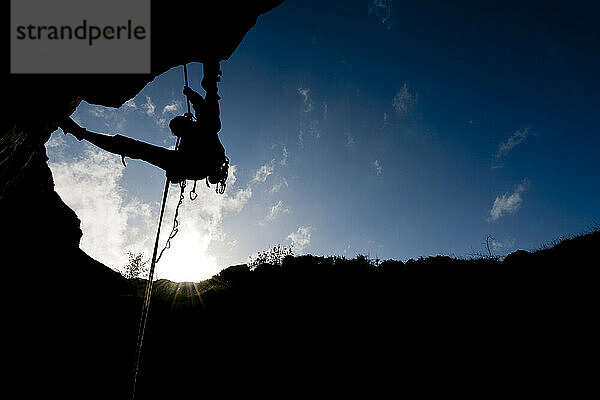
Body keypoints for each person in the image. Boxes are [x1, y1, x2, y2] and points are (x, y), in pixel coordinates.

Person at [60, 62, 228, 188]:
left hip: (195, 165)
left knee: (138, 149)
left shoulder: (201, 130)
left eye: (178, 130)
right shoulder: (200, 130)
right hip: (195, 165)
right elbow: (204, 110)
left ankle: (82, 133)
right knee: (137, 149)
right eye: (178, 131)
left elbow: (204, 111)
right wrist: (194, 95)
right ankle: (82, 133)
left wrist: (193, 95)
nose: (180, 133)